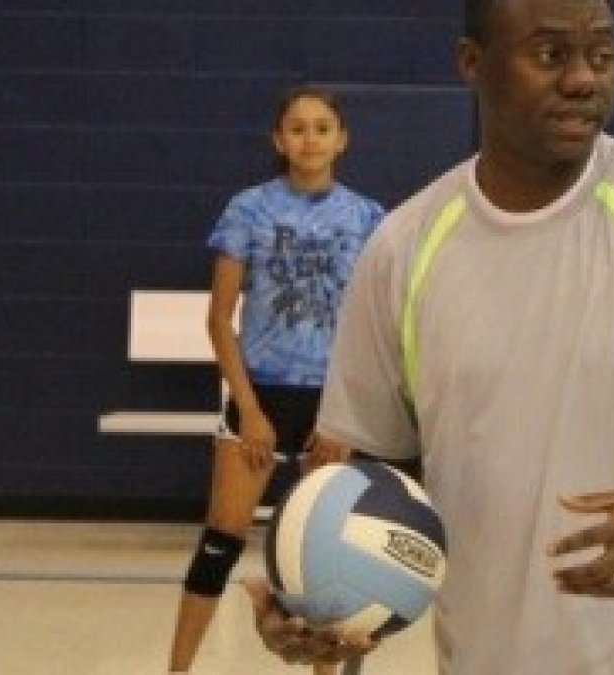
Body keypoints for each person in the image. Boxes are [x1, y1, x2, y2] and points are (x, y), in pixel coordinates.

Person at [245, 0, 614, 672]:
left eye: (601, 55)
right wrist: (330, 599)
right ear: (472, 63)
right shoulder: (403, 250)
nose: (583, 79)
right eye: (550, 55)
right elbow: (376, 482)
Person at [167, 85, 384, 674]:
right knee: (220, 540)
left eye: (322, 127)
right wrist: (250, 410)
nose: (310, 138)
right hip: (261, 394)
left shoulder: (368, 218)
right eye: (297, 128)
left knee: (327, 554)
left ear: (342, 139)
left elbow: (375, 329)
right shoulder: (249, 210)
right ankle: (178, 669)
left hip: (332, 406)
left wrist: (344, 417)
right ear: (279, 139)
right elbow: (219, 319)